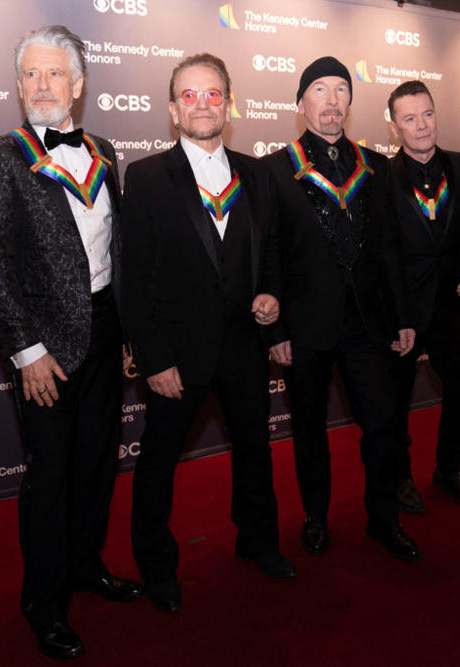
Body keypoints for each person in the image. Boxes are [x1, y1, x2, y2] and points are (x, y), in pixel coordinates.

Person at [0, 25, 141, 660]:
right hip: (44, 347)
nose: (42, 86)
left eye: (54, 74)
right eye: (31, 76)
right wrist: (25, 351)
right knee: (50, 477)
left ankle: (85, 566)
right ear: (19, 87)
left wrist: (128, 333)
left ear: (78, 84)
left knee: (97, 463)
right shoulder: (0, 155)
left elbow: (116, 249)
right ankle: (44, 604)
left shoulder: (105, 148)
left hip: (104, 330)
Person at [121, 53, 296, 614]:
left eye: (213, 93)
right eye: (190, 95)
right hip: (177, 356)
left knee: (255, 452)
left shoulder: (258, 173)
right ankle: (156, 566)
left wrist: (270, 296)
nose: (202, 103)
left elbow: (268, 253)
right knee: (156, 466)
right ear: (173, 111)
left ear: (230, 103)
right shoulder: (146, 177)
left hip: (245, 347)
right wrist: (153, 359)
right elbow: (135, 276)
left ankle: (259, 542)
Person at [261, 57, 418, 562]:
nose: (332, 101)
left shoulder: (375, 166)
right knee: (308, 428)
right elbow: (269, 254)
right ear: (301, 103)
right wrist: (277, 327)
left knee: (382, 424)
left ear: (350, 102)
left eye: (341, 91)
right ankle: (315, 517)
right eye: (320, 91)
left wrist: (403, 317)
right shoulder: (274, 169)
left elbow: (391, 248)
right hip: (305, 326)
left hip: (367, 325)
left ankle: (383, 518)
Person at [384, 81, 460, 513]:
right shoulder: (380, 178)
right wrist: (393, 312)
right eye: (409, 119)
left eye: (426, 114)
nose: (421, 125)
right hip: (403, 312)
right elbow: (380, 253)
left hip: (450, 305)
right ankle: (400, 477)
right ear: (394, 128)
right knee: (395, 402)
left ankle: (449, 470)